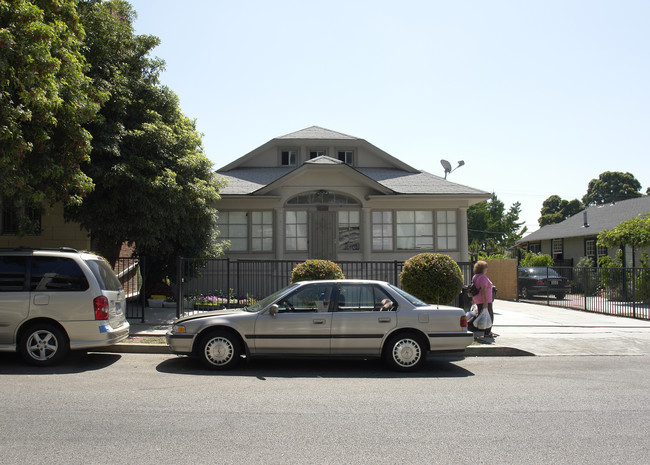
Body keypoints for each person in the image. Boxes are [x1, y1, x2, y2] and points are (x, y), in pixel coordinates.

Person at [471, 260, 495, 340]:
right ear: (482, 268)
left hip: (477, 299)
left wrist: (473, 300)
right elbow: (484, 290)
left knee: (480, 315)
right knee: (489, 315)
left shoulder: (475, 276)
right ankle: (487, 332)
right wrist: (485, 302)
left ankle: (480, 329)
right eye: (486, 268)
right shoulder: (483, 277)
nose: (487, 269)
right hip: (485, 299)